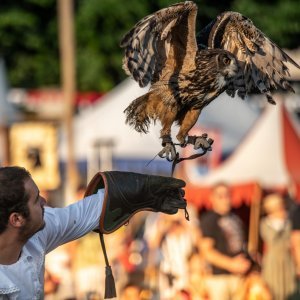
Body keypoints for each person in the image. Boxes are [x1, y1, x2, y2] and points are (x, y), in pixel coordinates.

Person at [0, 166, 187, 299]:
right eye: (35, 200)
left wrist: (142, 191)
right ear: (16, 219)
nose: (44, 201)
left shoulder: (38, 230)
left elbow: (83, 214)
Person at [199, 182, 252, 300]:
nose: (225, 200)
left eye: (228, 195)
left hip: (239, 277)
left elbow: (242, 245)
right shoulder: (209, 219)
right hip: (219, 279)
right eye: (221, 196)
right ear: (212, 198)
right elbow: (206, 252)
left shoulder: (236, 218)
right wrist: (231, 264)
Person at [260, 193, 297, 300]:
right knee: (273, 290)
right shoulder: (266, 223)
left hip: (287, 259)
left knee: (288, 289)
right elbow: (270, 239)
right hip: (273, 261)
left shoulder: (289, 221)